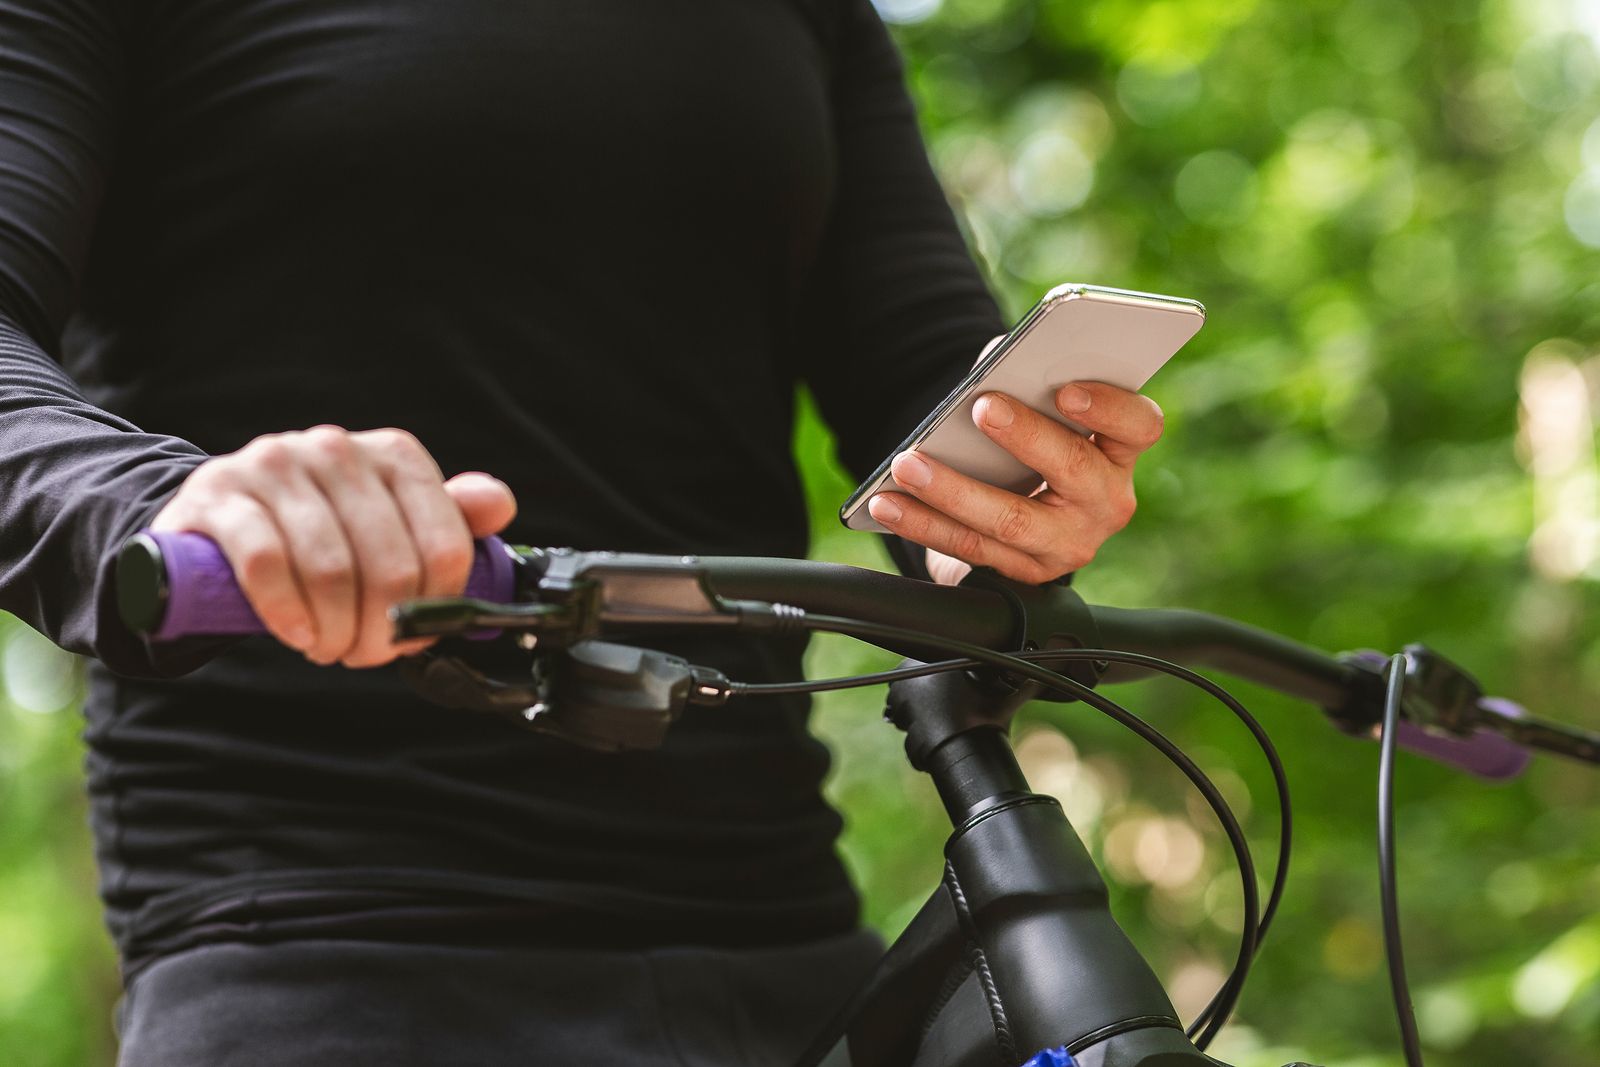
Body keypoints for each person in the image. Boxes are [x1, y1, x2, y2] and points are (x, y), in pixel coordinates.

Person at [0, 1, 1165, 1063]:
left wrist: (1014, 486)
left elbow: (914, 380)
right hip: (331, 945)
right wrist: (166, 502)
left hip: (785, 940)